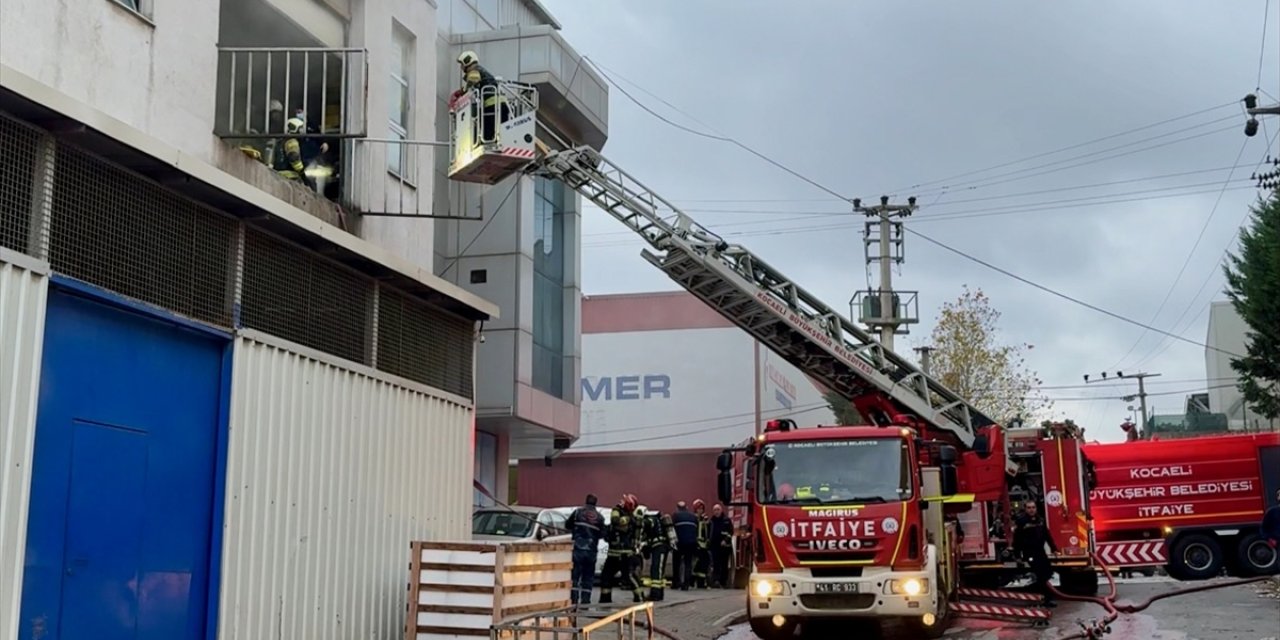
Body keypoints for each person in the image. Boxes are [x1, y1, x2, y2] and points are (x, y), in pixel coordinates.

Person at [449, 50, 508, 145]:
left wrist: (462, 92)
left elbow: (473, 79)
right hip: (500, 105)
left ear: (467, 61)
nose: (461, 67)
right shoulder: (481, 70)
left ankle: (485, 144)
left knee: (485, 131)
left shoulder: (474, 70)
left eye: (461, 64)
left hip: (492, 105)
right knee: (498, 132)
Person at [1014, 500, 1058, 607]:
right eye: (1029, 508)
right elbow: (1017, 540)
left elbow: (1047, 535)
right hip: (1029, 553)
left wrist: (1054, 549)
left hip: (1040, 551)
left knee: (1048, 573)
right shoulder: (1021, 522)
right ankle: (1045, 599)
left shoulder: (1040, 520)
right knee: (1041, 575)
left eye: (1033, 507)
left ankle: (1034, 593)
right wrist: (1017, 556)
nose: (1031, 510)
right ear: (1025, 509)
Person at [599, 493, 642, 604]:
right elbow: (615, 520)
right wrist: (627, 519)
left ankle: (639, 598)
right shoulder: (617, 510)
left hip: (626, 553)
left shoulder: (633, 517)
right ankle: (605, 599)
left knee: (629, 577)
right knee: (606, 577)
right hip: (614, 552)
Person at [567, 493, 605, 605]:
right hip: (591, 551)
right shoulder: (600, 518)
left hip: (577, 550)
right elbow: (602, 534)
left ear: (586, 501)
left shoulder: (577, 513)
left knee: (575, 577)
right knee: (588, 578)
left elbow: (568, 525)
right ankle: (585, 602)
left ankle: (573, 601)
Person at [638, 505, 675, 601]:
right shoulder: (656, 520)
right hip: (661, 547)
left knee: (656, 570)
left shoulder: (649, 520)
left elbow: (643, 531)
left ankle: (655, 594)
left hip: (660, 547)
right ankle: (659, 594)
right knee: (659, 570)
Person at [671, 500, 698, 590]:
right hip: (691, 543)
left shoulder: (675, 516)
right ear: (686, 508)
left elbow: (671, 529)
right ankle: (686, 584)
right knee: (688, 563)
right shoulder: (693, 517)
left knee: (676, 563)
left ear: (677, 508)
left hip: (679, 543)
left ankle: (676, 582)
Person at [709, 504, 734, 588]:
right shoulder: (711, 521)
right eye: (715, 510)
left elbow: (730, 532)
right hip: (714, 546)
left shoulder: (726, 520)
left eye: (718, 510)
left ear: (721, 510)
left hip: (724, 547)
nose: (716, 512)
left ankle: (723, 581)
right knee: (716, 564)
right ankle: (716, 581)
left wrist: (725, 540)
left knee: (724, 564)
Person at [692, 499, 711, 589]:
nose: (700, 510)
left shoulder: (705, 519)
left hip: (704, 545)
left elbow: (708, 531)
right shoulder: (693, 519)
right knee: (695, 564)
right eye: (698, 509)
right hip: (696, 544)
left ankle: (701, 583)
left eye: (702, 509)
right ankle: (692, 581)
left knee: (704, 563)